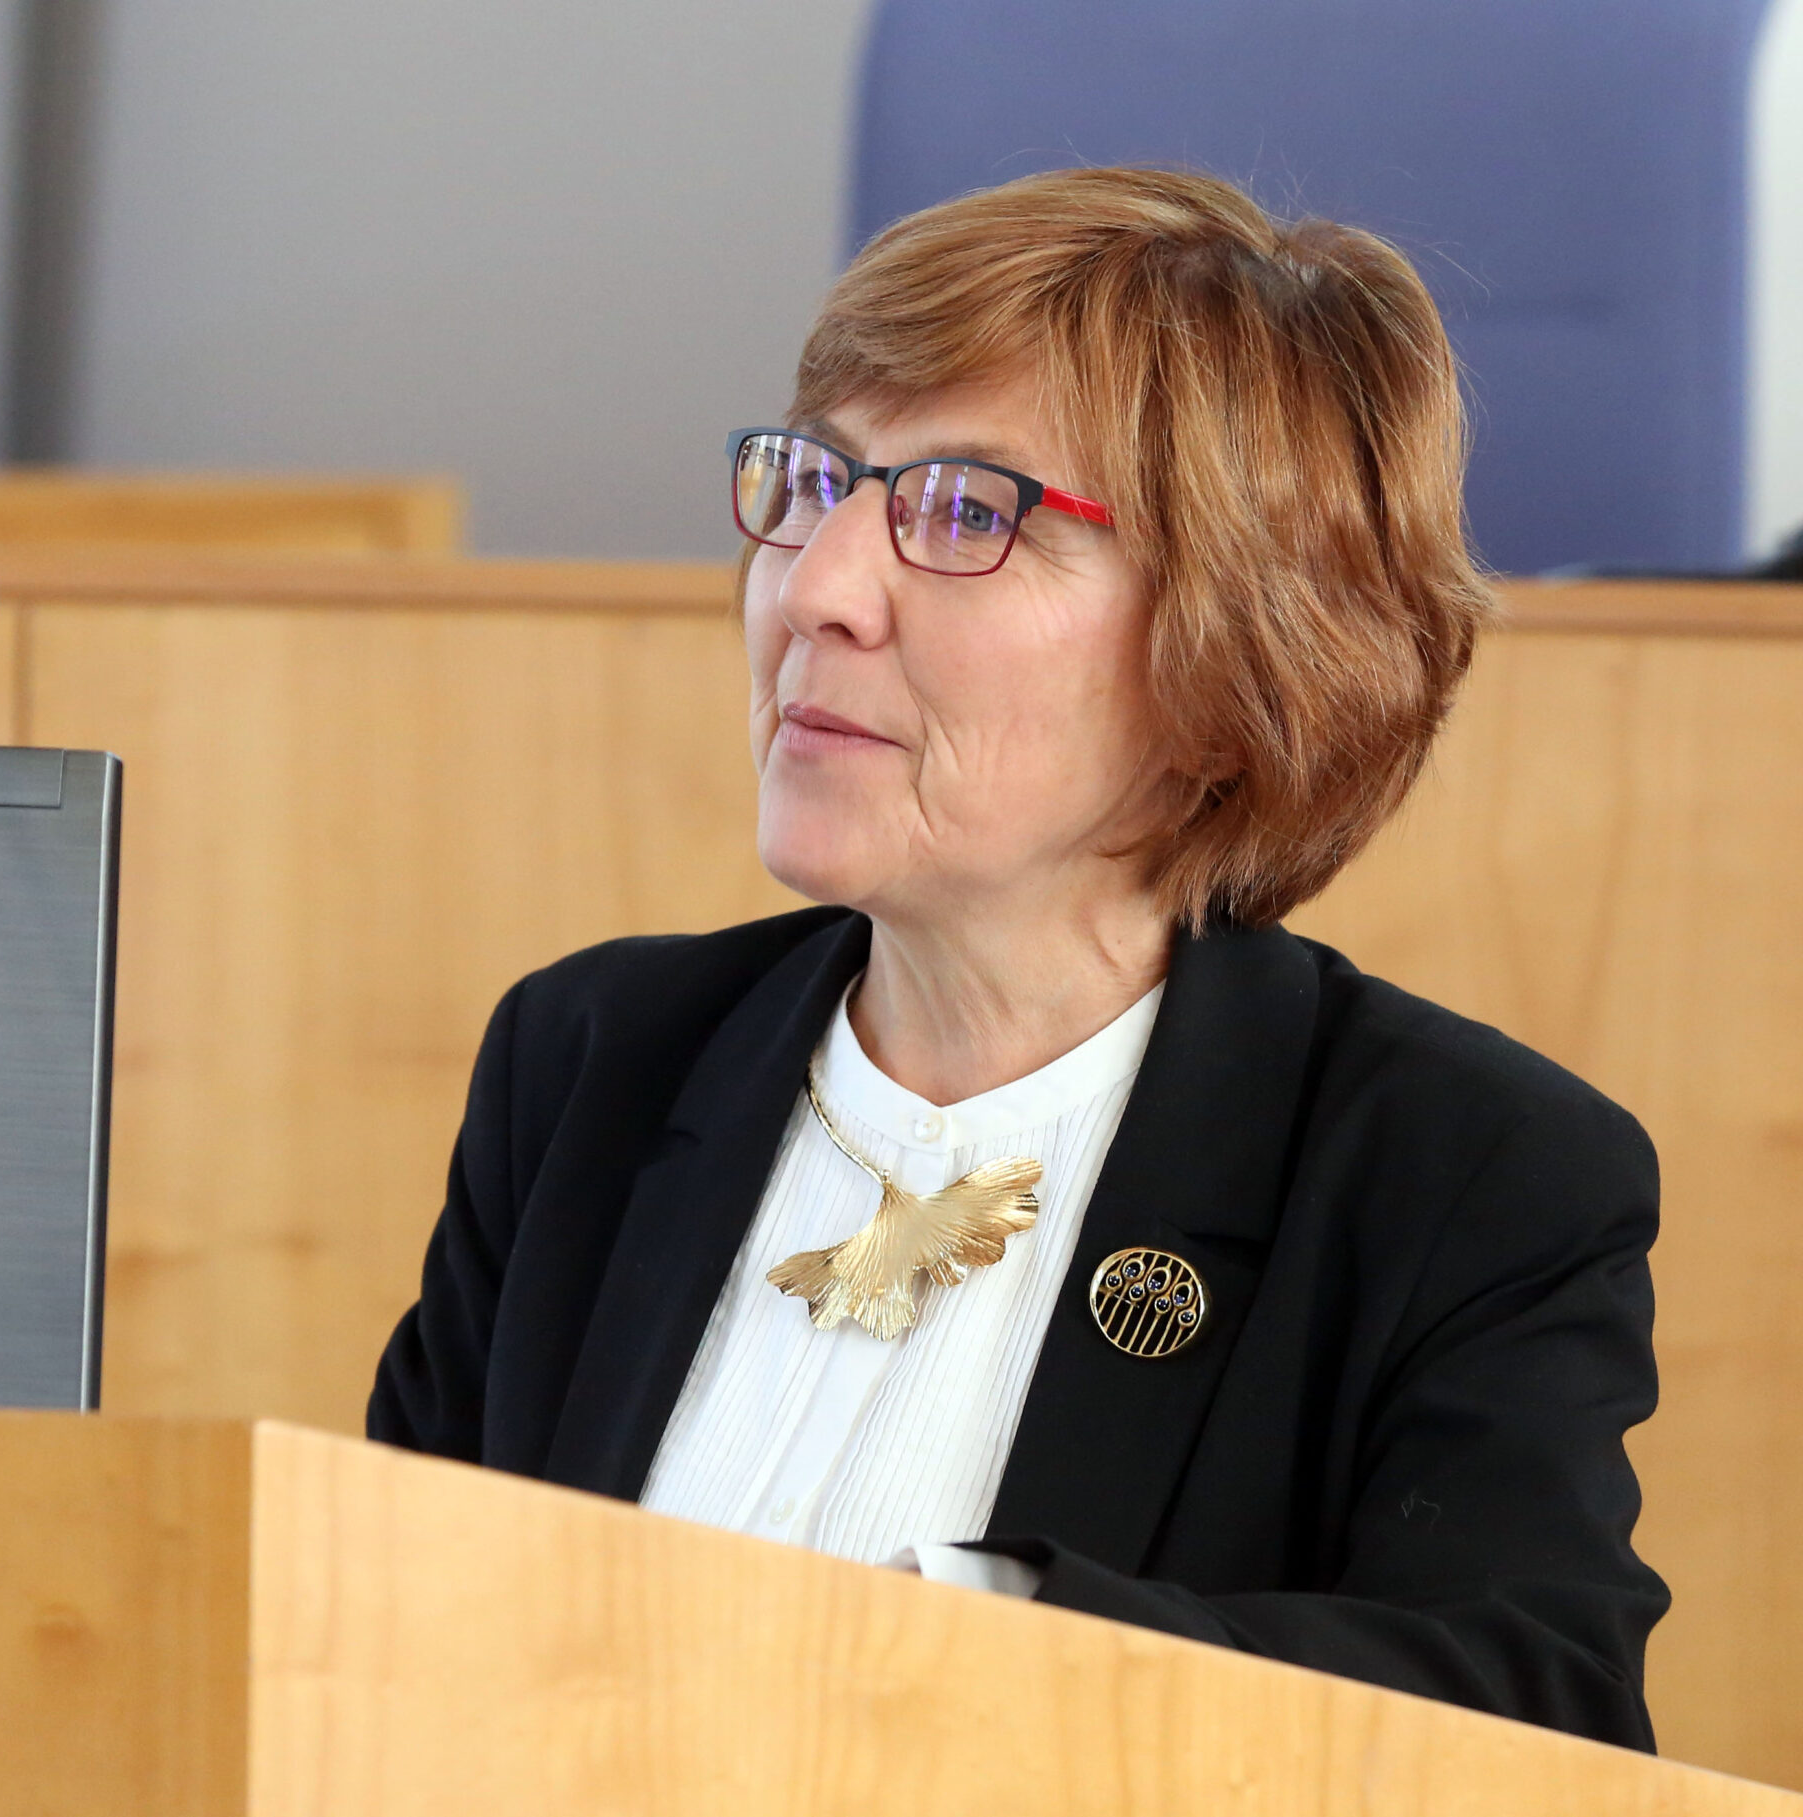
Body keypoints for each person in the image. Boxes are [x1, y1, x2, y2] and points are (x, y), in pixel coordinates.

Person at [368, 166, 1666, 1749]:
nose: (821, 589)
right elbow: (372, 1636)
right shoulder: (596, 1058)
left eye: (968, 513)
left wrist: (976, 1634)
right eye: (818, 481)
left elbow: (1532, 1724)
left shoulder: (1456, 1173)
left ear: (1232, 659)